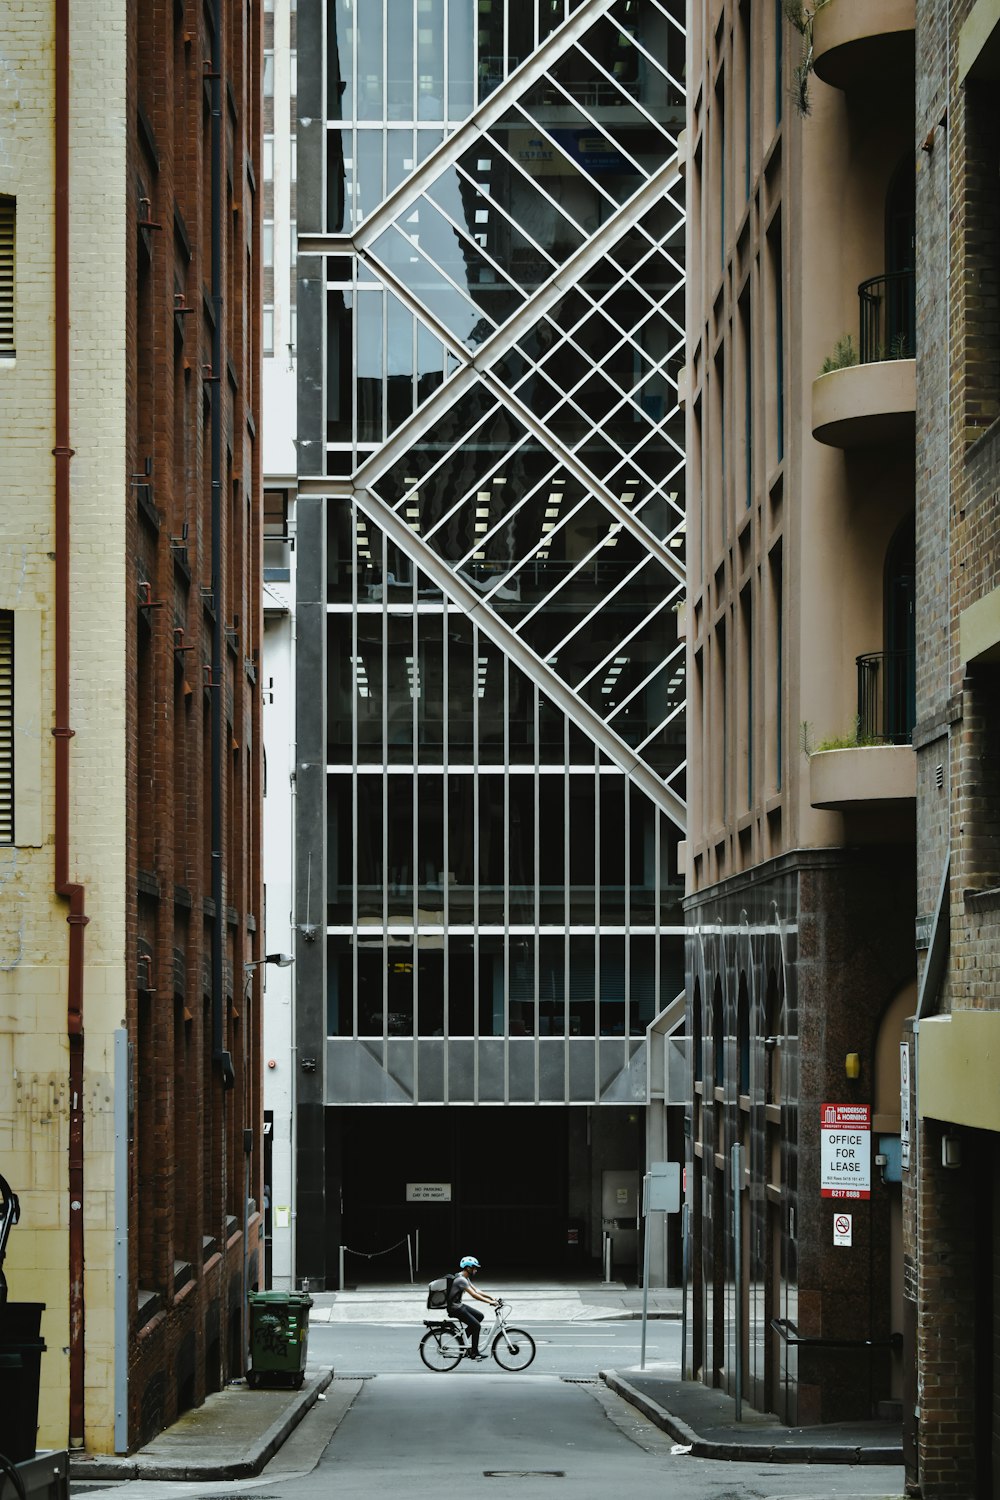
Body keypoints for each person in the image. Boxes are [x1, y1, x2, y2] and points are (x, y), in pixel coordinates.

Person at [447, 1255, 498, 1360]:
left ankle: (462, 1340)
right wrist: (490, 1302)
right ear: (468, 1268)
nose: (476, 1270)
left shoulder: (465, 1277)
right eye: (474, 1268)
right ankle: (474, 1353)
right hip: (454, 1308)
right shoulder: (461, 1280)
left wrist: (491, 1297)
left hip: (458, 1305)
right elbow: (474, 1295)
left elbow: (477, 1291)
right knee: (476, 1326)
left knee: (479, 1316)